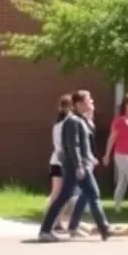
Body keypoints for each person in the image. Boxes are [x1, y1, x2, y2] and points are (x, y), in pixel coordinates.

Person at [39, 89, 113, 242]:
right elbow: (74, 146)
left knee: (65, 196)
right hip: (76, 165)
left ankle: (45, 230)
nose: (91, 101)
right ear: (79, 104)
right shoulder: (73, 121)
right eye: (88, 100)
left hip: (77, 164)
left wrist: (89, 158)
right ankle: (104, 228)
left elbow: (83, 144)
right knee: (93, 193)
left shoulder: (80, 120)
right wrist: (80, 165)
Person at [46, 94, 76, 234]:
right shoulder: (64, 124)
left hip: (57, 161)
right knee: (58, 192)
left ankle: (56, 219)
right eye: (69, 106)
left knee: (58, 192)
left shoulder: (59, 124)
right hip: (59, 162)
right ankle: (54, 220)